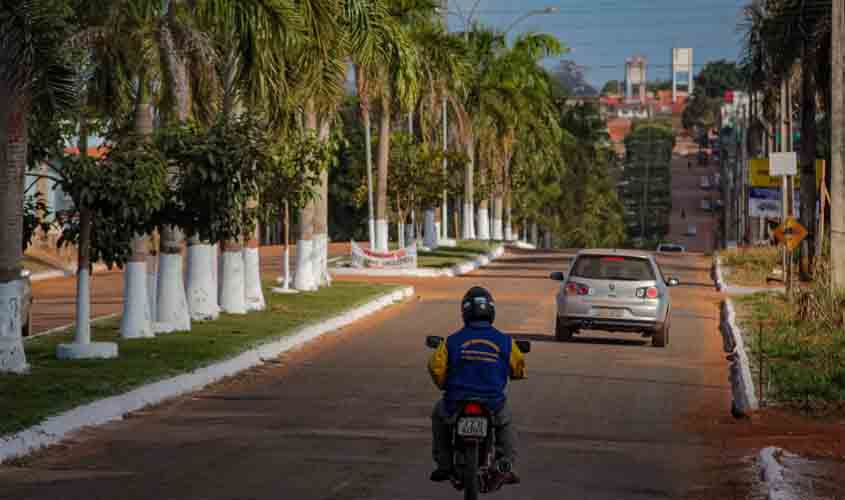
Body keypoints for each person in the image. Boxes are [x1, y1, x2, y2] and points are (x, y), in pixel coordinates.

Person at [427, 286, 526, 484]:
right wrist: (514, 375)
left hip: (456, 401)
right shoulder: (505, 341)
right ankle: (506, 464)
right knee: (506, 423)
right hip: (493, 402)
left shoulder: (451, 341)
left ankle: (444, 464)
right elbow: (518, 367)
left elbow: (435, 367)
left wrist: (444, 384)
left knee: (439, 417)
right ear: (491, 311)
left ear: (464, 312)